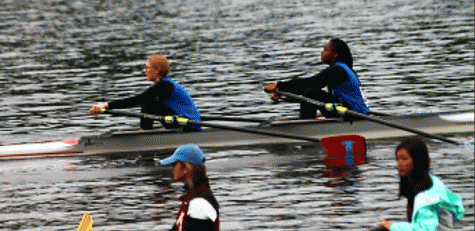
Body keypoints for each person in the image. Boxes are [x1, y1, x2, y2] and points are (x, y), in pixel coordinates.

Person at [263, 38, 370, 119]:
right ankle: (308, 123)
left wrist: (279, 86)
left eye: (325, 49)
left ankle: (305, 126)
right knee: (311, 92)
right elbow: (305, 88)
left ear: (335, 54)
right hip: (352, 111)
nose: (322, 52)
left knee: (311, 92)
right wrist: (281, 92)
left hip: (352, 115)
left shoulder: (337, 71)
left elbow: (310, 82)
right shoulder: (344, 69)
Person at [89, 54, 201, 131]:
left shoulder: (164, 86)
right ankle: (145, 131)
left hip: (188, 124)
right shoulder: (164, 84)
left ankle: (144, 134)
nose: (144, 71)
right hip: (181, 120)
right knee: (149, 103)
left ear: (157, 70)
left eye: (147, 68)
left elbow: (137, 100)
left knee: (148, 104)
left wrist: (106, 105)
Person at [377, 138, 464, 231]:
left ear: (417, 161)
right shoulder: (432, 180)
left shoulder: (424, 196)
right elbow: (456, 209)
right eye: (397, 158)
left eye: (404, 159)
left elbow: (426, 228)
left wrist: (392, 227)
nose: (399, 163)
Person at [160, 144, 219, 231]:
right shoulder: (192, 197)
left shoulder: (199, 203)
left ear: (185, 168)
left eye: (174, 164)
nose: (172, 168)